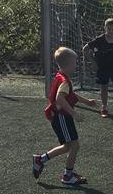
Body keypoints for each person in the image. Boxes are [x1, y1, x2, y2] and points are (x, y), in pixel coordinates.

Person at [33, 47, 99, 186]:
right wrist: (73, 113)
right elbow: (60, 98)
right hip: (61, 117)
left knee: (68, 146)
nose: (76, 66)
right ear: (67, 65)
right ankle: (67, 176)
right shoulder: (64, 80)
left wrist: (87, 102)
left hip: (60, 117)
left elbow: (71, 95)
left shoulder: (61, 76)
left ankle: (40, 160)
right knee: (74, 146)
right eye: (74, 63)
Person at [83, 18, 113, 122]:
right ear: (105, 28)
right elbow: (85, 49)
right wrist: (93, 63)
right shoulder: (99, 40)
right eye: (109, 29)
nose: (111, 31)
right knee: (104, 88)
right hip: (102, 68)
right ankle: (104, 107)